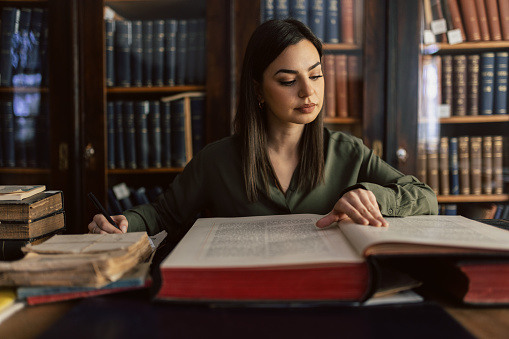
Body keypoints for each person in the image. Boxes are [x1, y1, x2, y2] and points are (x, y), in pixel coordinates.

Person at [88, 18, 438, 239]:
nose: (308, 91)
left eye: (316, 75)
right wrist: (123, 223)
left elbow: (426, 197)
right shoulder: (217, 160)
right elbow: (164, 212)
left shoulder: (348, 151)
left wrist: (374, 196)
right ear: (258, 90)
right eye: (288, 80)